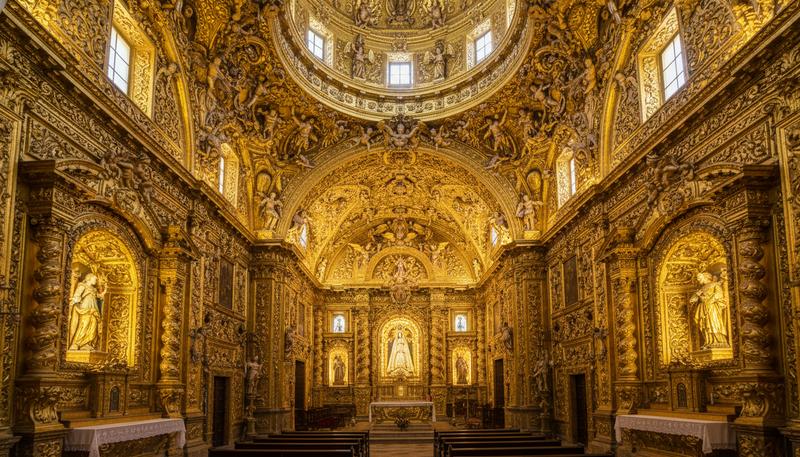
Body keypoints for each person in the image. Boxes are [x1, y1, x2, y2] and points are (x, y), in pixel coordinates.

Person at [68, 273, 105, 351]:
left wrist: (104, 292)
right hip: (85, 308)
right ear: (89, 278)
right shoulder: (82, 286)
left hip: (94, 309)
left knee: (93, 325)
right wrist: (75, 300)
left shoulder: (94, 289)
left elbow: (99, 296)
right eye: (95, 279)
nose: (96, 281)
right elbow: (77, 295)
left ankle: (87, 344)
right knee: (84, 325)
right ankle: (77, 343)